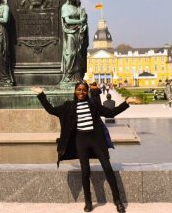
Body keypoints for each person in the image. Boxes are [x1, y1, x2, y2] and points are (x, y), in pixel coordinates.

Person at [31, 82, 130, 212]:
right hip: (81, 140)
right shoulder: (68, 106)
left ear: (87, 92)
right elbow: (52, 110)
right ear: (75, 91)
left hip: (96, 140)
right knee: (85, 171)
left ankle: (117, 201)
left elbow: (110, 113)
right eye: (79, 90)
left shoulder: (93, 105)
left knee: (107, 168)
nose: (81, 92)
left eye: (84, 90)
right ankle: (88, 202)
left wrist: (127, 103)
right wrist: (41, 94)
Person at [61, 0, 88, 83]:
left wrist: (84, 22)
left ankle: (77, 76)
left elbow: (83, 18)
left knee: (78, 55)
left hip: (78, 33)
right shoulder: (65, 7)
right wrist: (80, 21)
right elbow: (67, 21)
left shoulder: (77, 8)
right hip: (70, 33)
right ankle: (68, 75)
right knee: (71, 54)